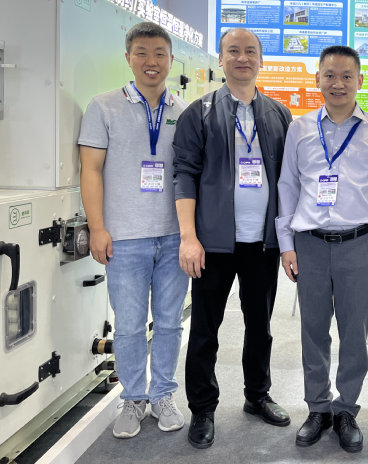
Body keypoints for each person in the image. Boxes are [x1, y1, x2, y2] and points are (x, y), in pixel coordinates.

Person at [173, 28, 293, 449]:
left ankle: (257, 395)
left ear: (261, 60)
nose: (243, 58)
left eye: (250, 51)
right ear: (221, 59)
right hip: (213, 244)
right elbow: (184, 175)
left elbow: (290, 180)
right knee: (206, 329)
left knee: (260, 325)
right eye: (233, 51)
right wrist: (189, 237)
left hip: (262, 243)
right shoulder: (199, 113)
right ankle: (202, 408)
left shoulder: (278, 114)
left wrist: (287, 240)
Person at [277, 45, 368, 453]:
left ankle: (346, 409)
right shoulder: (300, 128)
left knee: (354, 332)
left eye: (347, 76)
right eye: (330, 75)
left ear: (359, 80)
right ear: (318, 80)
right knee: (313, 330)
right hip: (309, 244)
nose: (338, 83)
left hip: (359, 244)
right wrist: (286, 244)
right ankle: (318, 408)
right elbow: (288, 187)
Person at [79, 22, 189, 439]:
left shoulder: (183, 111)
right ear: (128, 58)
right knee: (128, 325)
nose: (151, 61)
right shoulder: (103, 107)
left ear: (171, 60)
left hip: (173, 236)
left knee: (169, 322)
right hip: (124, 238)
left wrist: (190, 234)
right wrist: (97, 227)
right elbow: (91, 171)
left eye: (159, 53)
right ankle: (133, 398)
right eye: (142, 52)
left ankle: (163, 394)